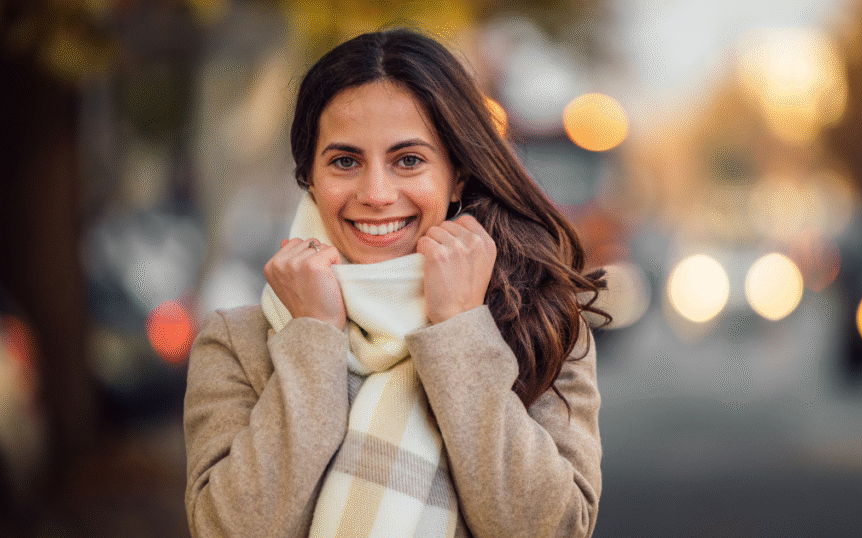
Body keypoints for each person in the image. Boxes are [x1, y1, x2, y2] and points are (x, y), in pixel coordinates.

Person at [183, 28, 607, 538]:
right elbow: (228, 531)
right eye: (345, 161)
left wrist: (460, 329)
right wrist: (313, 336)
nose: (377, 193)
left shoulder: (542, 324)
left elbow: (553, 529)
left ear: (458, 176)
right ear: (310, 180)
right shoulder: (237, 344)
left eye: (408, 160)